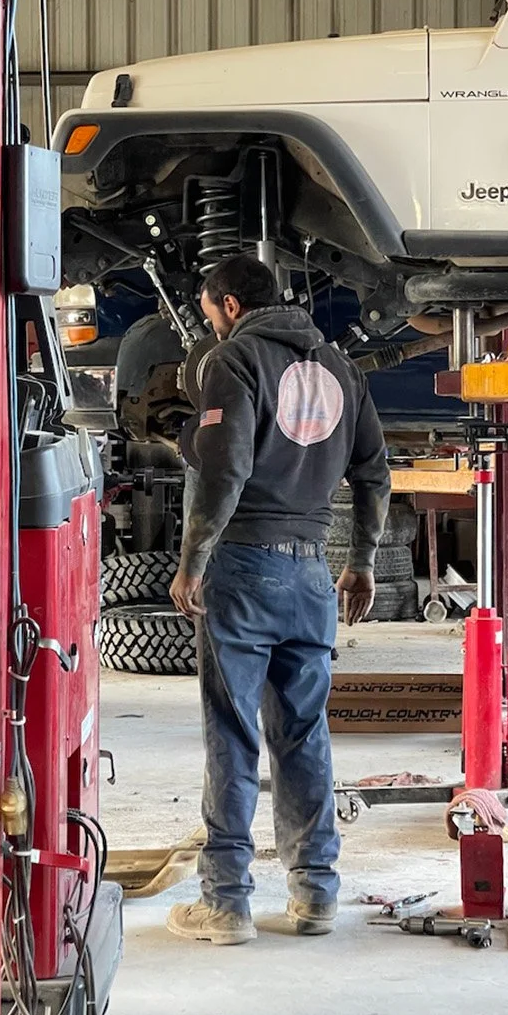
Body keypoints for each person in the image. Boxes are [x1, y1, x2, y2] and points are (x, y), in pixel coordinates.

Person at [167, 254, 390, 946]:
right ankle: (316, 892)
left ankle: (227, 902)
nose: (212, 327)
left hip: (243, 565)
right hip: (312, 575)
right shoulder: (342, 370)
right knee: (304, 733)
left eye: (210, 316)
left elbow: (226, 468)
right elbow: (375, 471)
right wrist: (361, 563)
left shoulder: (232, 361)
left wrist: (192, 562)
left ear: (230, 306)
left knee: (232, 733)